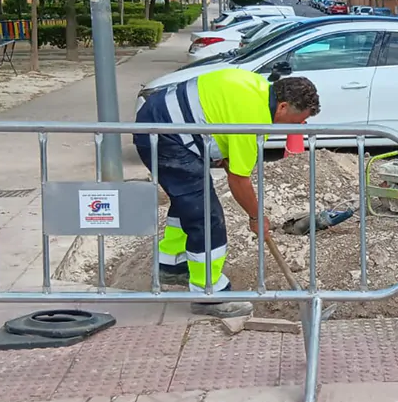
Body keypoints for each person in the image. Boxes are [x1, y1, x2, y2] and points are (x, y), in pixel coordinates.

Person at [134, 69, 320, 318]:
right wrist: (255, 217)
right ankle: (207, 294)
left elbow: (216, 114)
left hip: (159, 123)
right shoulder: (253, 119)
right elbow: (238, 179)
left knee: (188, 203)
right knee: (206, 215)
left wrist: (221, 149)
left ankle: (172, 264)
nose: (296, 129)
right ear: (283, 106)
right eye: (297, 122)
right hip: (163, 134)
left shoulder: (259, 89)